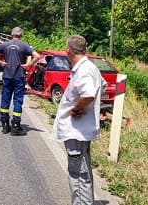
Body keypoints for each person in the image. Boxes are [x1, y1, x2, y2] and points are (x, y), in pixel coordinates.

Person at [51, 35, 104, 205]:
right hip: (80, 130)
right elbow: (101, 86)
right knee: (82, 171)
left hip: (77, 131)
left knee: (78, 175)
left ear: (68, 51)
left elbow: (88, 93)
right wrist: (86, 106)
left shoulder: (83, 70)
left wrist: (78, 108)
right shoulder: (90, 67)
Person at [0, 26, 40, 136]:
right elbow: (37, 56)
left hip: (7, 76)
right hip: (19, 76)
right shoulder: (24, 46)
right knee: (17, 100)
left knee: (5, 99)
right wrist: (28, 64)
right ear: (21, 35)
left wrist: (0, 62)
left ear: (11, 34)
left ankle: (5, 125)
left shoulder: (5, 45)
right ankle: (16, 126)